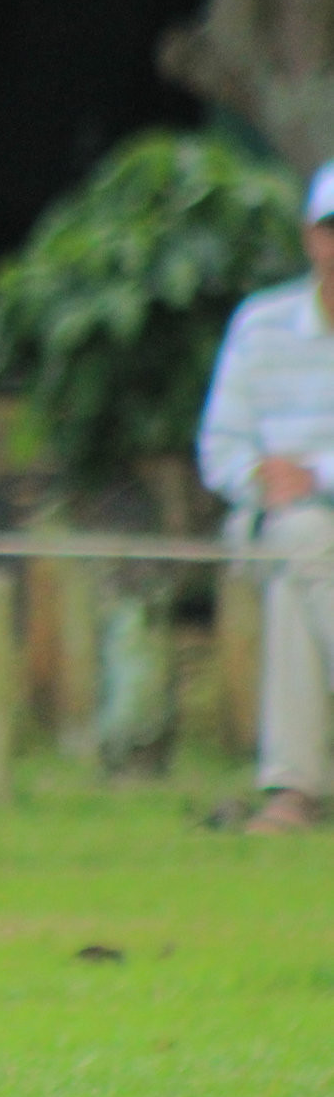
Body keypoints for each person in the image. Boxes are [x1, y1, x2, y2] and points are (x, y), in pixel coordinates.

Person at [199, 161, 334, 835]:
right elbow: (219, 447)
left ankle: (293, 790)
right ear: (310, 237)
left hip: (302, 537)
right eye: (332, 229)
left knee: (295, 577)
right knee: (299, 538)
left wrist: (318, 475)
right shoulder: (260, 324)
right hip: (273, 522)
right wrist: (261, 477)